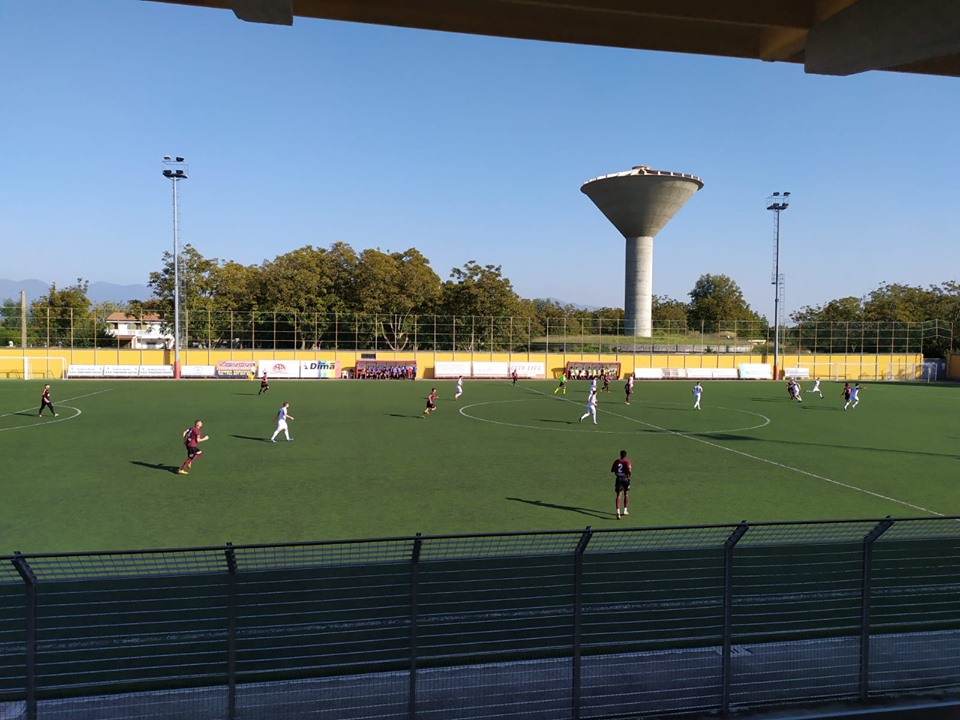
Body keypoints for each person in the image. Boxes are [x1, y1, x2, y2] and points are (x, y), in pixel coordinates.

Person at [611, 450, 632, 519]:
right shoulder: (627, 461)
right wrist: (628, 475)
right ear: (625, 455)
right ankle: (625, 510)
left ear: (620, 454)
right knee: (626, 494)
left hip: (619, 479)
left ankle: (618, 511)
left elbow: (612, 470)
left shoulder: (617, 461)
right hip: (625, 479)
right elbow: (629, 470)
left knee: (618, 495)